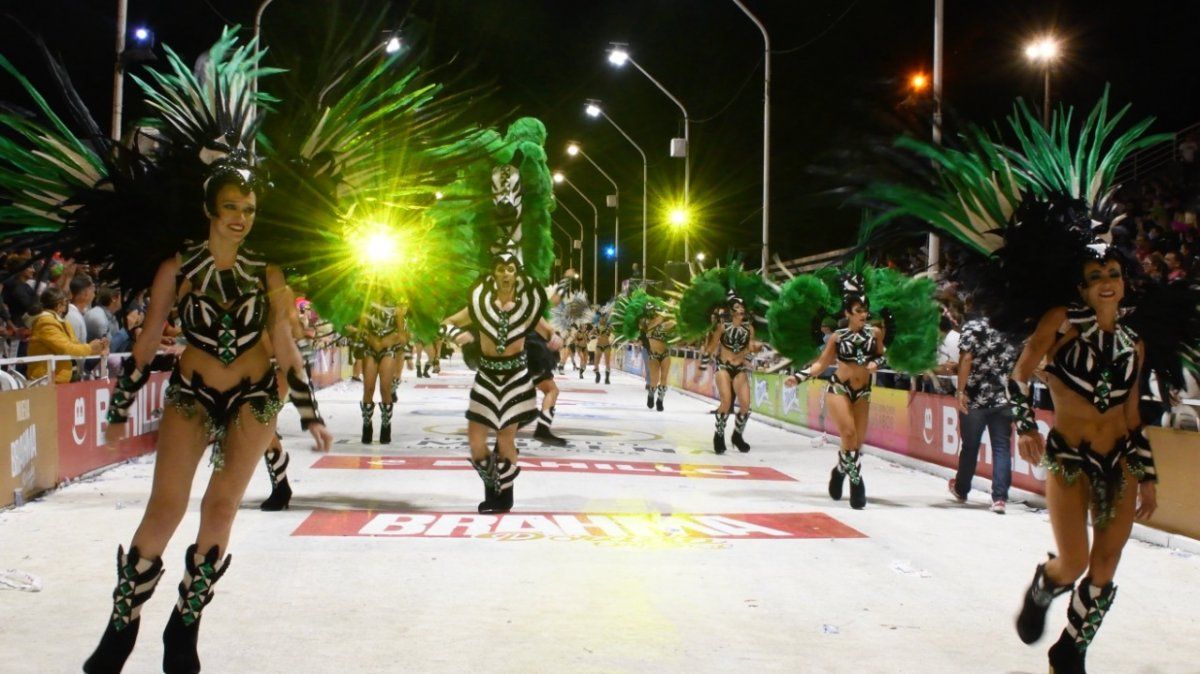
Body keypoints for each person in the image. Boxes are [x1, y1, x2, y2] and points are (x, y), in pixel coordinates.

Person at [84, 158, 332, 673]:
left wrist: (310, 413)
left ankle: (185, 624)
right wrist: (118, 409)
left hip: (255, 397)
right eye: (230, 208)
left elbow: (285, 347)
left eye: (248, 209)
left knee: (221, 509)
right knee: (165, 507)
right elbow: (148, 342)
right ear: (208, 210)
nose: (241, 217)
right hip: (191, 396)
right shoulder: (177, 268)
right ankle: (121, 624)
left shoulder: (269, 273)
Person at [442, 246, 561, 513]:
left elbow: (548, 330)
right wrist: (455, 335)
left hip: (516, 376)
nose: (505, 273)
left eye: (510, 269)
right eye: (500, 269)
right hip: (486, 375)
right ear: (493, 274)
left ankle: (503, 497)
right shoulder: (479, 305)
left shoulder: (527, 307)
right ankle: (492, 483)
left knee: (506, 439)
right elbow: (446, 322)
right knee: (476, 441)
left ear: (517, 274)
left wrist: (555, 339)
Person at [789, 275, 883, 510]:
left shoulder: (875, 333)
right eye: (859, 310)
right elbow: (821, 364)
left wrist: (877, 363)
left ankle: (840, 471)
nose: (864, 314)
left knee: (856, 444)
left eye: (865, 310)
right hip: (839, 389)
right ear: (848, 313)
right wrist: (799, 377)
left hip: (863, 393)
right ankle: (856, 483)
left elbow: (881, 354)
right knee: (848, 434)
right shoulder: (837, 337)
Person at [948, 307, 1020, 513]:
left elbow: (967, 358)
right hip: (1003, 397)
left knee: (970, 447)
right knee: (1001, 448)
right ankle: (999, 498)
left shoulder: (973, 327)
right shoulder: (1011, 328)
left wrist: (960, 390)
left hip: (975, 399)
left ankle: (961, 489)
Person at [704, 295, 761, 454]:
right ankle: (719, 435)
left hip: (740, 368)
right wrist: (703, 363)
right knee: (726, 402)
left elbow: (749, 348)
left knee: (745, 405)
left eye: (742, 306)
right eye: (737, 306)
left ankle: (737, 435)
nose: (741, 309)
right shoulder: (723, 326)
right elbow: (713, 345)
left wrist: (754, 350)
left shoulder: (749, 328)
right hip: (723, 366)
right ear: (731, 310)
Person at [353, 299, 407, 444]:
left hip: (388, 350)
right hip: (370, 349)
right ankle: (367, 425)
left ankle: (386, 425)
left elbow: (402, 336)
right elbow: (361, 329)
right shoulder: (366, 303)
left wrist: (396, 340)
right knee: (368, 388)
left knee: (385, 388)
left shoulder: (397, 306)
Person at [27, 287, 107, 383]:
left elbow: (75, 345)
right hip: (46, 381)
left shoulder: (62, 322)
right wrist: (90, 348)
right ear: (59, 305)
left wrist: (97, 347)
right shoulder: (45, 322)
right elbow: (66, 349)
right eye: (66, 302)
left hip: (59, 380)